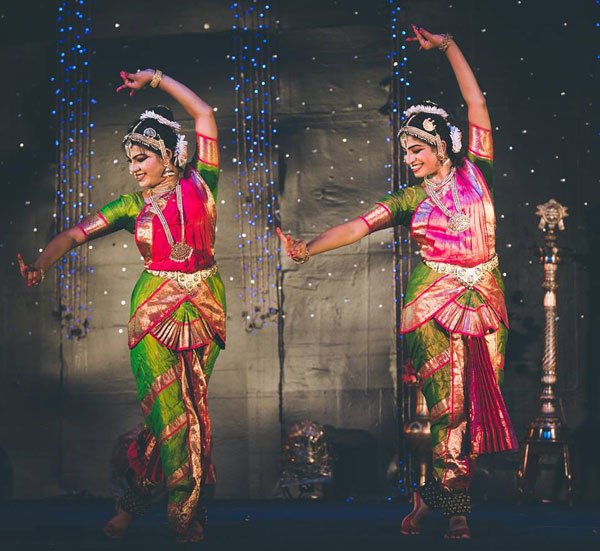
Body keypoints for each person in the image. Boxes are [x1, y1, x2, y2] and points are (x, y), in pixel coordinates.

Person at [277, 26, 517, 540]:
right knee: (448, 406)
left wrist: (449, 46)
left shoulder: (479, 171)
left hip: (486, 302)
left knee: (469, 411)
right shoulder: (408, 200)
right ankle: (456, 509)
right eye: (406, 150)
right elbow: (357, 226)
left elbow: (473, 99)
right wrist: (307, 247)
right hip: (431, 302)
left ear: (443, 147)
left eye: (418, 149)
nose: (409, 158)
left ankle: (431, 498)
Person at [18, 69, 225, 543]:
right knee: (168, 412)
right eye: (130, 159)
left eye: (142, 157)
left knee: (189, 414)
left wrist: (156, 79)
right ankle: (185, 514)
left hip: (204, 308)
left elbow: (203, 113)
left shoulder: (202, 184)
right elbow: (74, 234)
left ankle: (131, 507)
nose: (134, 167)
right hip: (153, 310)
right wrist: (42, 263)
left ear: (169, 155)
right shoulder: (131, 206)